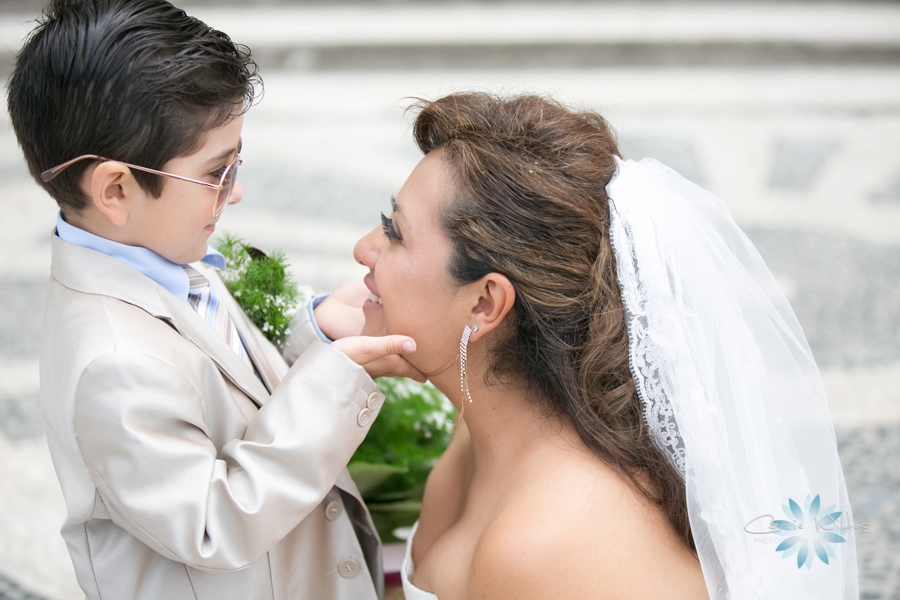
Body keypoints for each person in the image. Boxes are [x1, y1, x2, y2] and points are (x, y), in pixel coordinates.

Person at [353, 93, 858, 599]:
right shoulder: (484, 427)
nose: (364, 248)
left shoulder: (547, 549)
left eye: (395, 232)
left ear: (485, 303)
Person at [6, 1, 420, 598]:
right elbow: (213, 524)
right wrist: (333, 382)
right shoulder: (111, 362)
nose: (238, 191)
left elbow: (222, 391)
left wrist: (314, 334)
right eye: (216, 173)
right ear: (117, 188)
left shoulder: (159, 258)